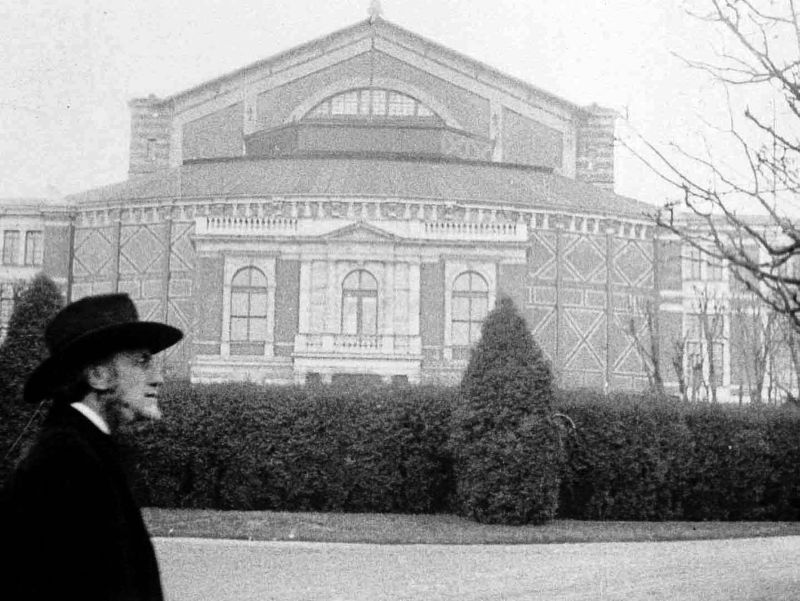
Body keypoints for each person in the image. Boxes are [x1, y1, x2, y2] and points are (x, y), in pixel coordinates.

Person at [2, 293, 183, 601]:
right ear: (99, 375)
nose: (158, 378)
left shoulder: (86, 448)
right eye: (142, 361)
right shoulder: (65, 462)